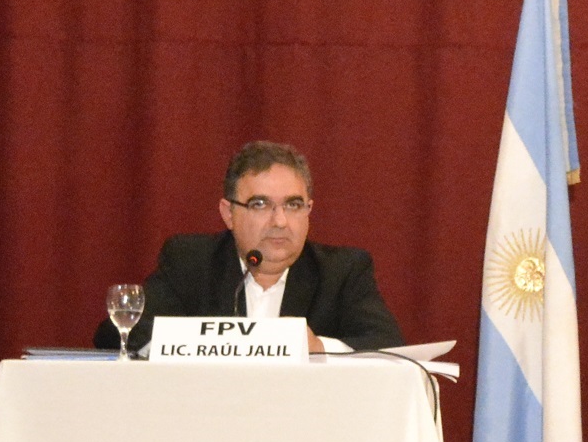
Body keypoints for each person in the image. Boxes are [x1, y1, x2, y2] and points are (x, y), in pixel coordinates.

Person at [95, 141, 404, 354]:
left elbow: (390, 346)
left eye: (293, 205)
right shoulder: (192, 261)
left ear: (309, 210)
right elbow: (117, 333)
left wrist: (319, 348)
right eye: (260, 204)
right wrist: (204, 344)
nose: (280, 221)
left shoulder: (341, 271)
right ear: (228, 213)